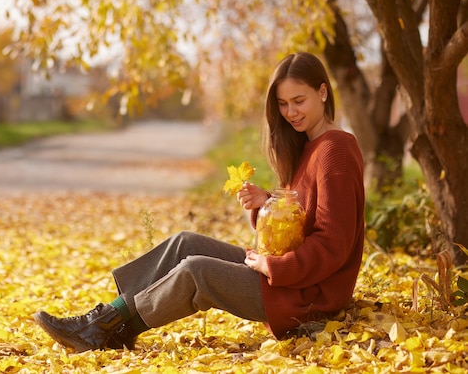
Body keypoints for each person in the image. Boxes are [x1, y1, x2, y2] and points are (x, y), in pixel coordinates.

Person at [33, 52, 366, 352]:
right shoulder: (308, 146)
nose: (290, 112)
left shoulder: (335, 149)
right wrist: (267, 204)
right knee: (184, 243)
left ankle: (107, 331)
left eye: (299, 101)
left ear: (323, 93)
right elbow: (301, 218)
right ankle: (107, 320)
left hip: (308, 296)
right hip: (287, 276)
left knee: (196, 271)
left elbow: (333, 243)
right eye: (282, 104)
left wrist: (274, 267)